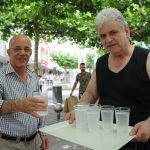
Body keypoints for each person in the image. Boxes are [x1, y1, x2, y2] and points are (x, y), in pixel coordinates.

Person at [65, 8, 150, 150]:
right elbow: (91, 93)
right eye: (103, 36)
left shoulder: (146, 58)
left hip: (141, 141)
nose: (108, 39)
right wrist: (79, 109)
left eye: (113, 32)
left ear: (127, 32)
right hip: (105, 140)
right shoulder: (101, 62)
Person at [0, 35, 49, 150]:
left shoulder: (33, 76)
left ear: (31, 52)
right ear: (8, 52)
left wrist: (43, 132)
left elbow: (39, 107)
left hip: (34, 142)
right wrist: (19, 105)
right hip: (8, 144)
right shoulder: (1, 76)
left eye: (27, 49)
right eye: (17, 48)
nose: (23, 53)